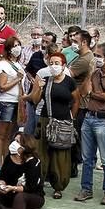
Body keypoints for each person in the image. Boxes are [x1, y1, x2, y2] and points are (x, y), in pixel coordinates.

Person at [74, 41, 105, 205]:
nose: (96, 58)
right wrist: (90, 74)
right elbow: (83, 92)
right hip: (89, 117)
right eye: (95, 55)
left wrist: (92, 93)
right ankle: (86, 189)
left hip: (103, 119)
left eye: (99, 56)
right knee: (87, 158)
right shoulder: (95, 73)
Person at [32, 50, 78, 199]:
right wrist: (38, 87)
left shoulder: (69, 82)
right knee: (42, 153)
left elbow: (76, 100)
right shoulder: (45, 80)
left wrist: (72, 117)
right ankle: (39, 183)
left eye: (57, 63)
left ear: (63, 65)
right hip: (46, 120)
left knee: (60, 154)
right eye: (51, 63)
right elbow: (34, 100)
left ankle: (58, 186)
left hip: (63, 122)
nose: (54, 66)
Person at [0, 132, 45, 209]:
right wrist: (1, 185)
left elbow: (31, 187)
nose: (14, 143)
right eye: (14, 140)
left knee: (20, 196)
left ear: (25, 146)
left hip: (31, 196)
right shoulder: (9, 158)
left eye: (17, 141)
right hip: (9, 194)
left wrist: (13, 188)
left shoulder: (33, 162)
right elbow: (2, 177)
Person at [0, 37, 24, 158]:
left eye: (19, 45)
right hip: (5, 102)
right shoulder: (3, 65)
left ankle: (7, 159)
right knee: (1, 135)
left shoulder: (17, 64)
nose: (17, 48)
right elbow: (2, 87)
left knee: (10, 135)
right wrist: (17, 79)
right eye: (14, 46)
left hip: (16, 102)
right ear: (8, 49)